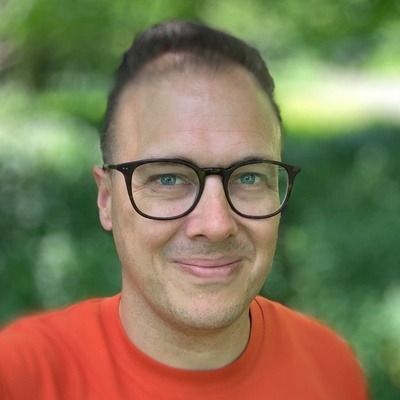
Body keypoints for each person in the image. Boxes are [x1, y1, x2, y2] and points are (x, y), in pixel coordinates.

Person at [0, 20, 368, 399]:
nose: (216, 224)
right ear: (107, 199)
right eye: (169, 179)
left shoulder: (330, 368)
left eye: (249, 177)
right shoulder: (20, 378)